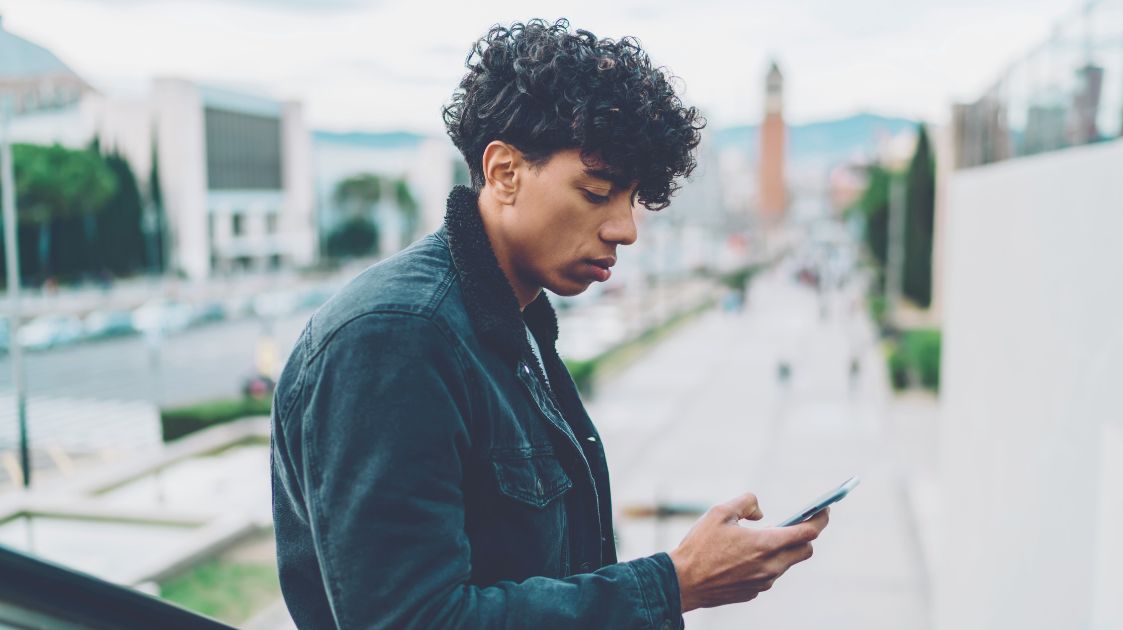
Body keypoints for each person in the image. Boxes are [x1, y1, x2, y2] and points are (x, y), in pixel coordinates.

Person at [270, 18, 830, 629]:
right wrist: (673, 584)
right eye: (596, 193)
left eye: (632, 200)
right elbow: (412, 621)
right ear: (505, 172)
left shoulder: (516, 321)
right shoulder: (395, 338)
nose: (626, 229)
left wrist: (673, 581)